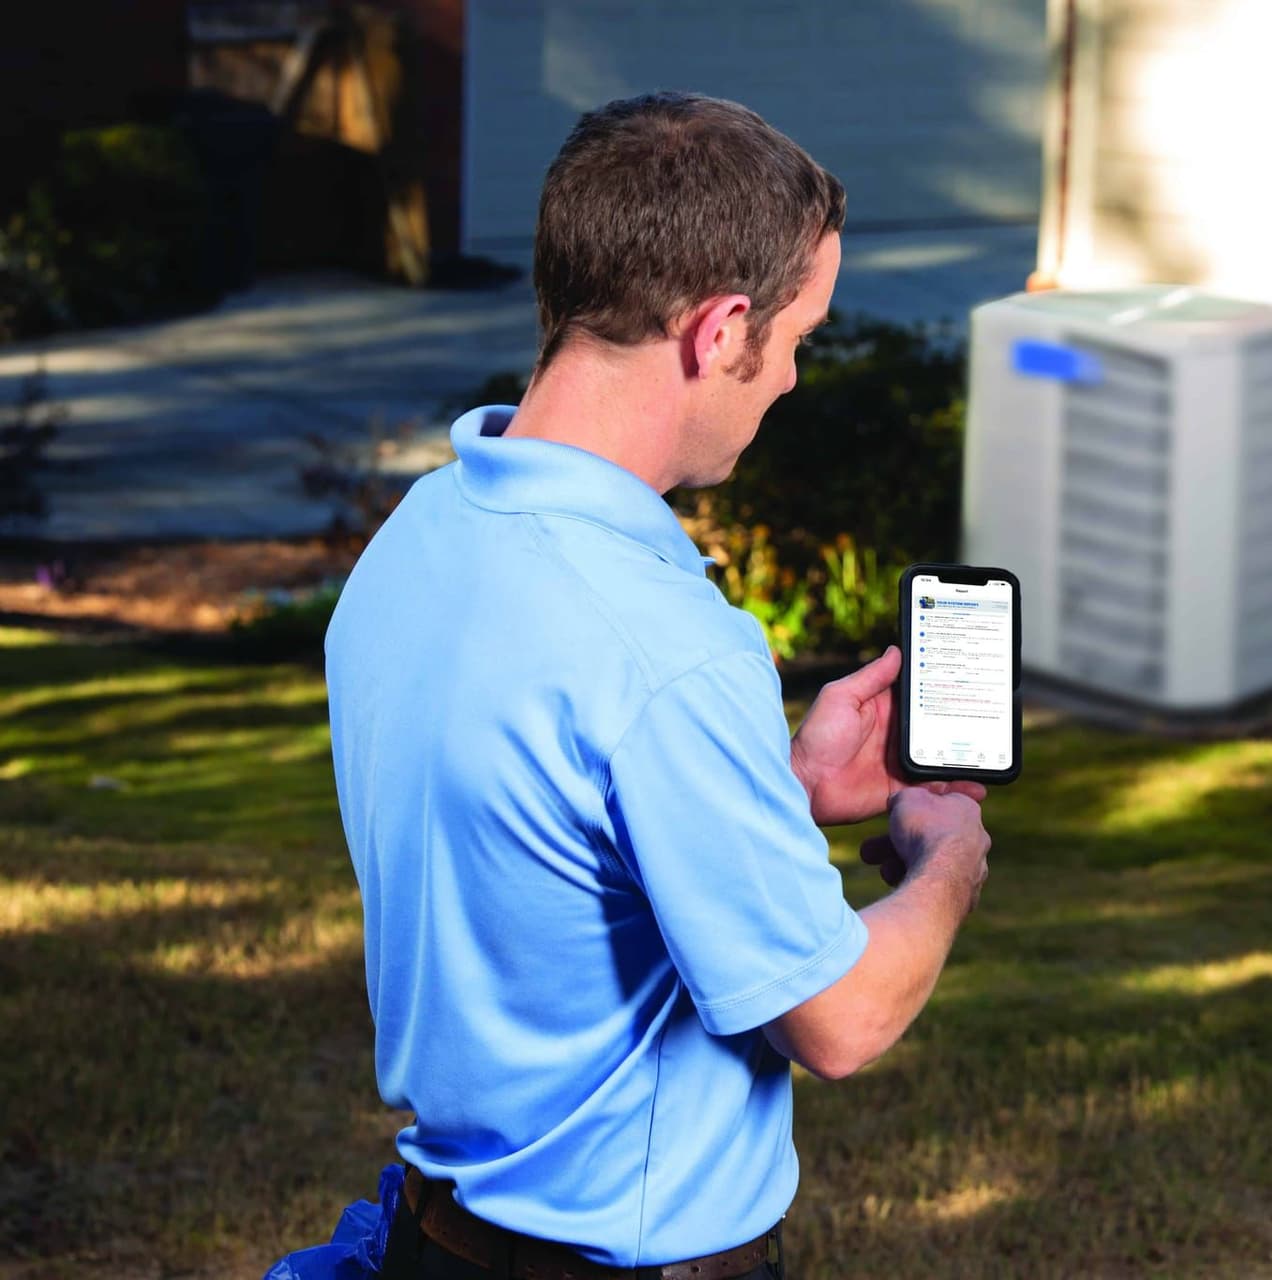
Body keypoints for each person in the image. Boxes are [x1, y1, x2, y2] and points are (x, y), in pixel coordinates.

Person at [297, 92, 993, 1280]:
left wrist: (773, 786)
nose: (787, 382)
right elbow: (838, 1016)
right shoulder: (664, 646)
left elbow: (539, 847)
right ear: (721, 330)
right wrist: (948, 856)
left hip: (442, 1241)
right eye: (799, 338)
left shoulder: (420, 537)